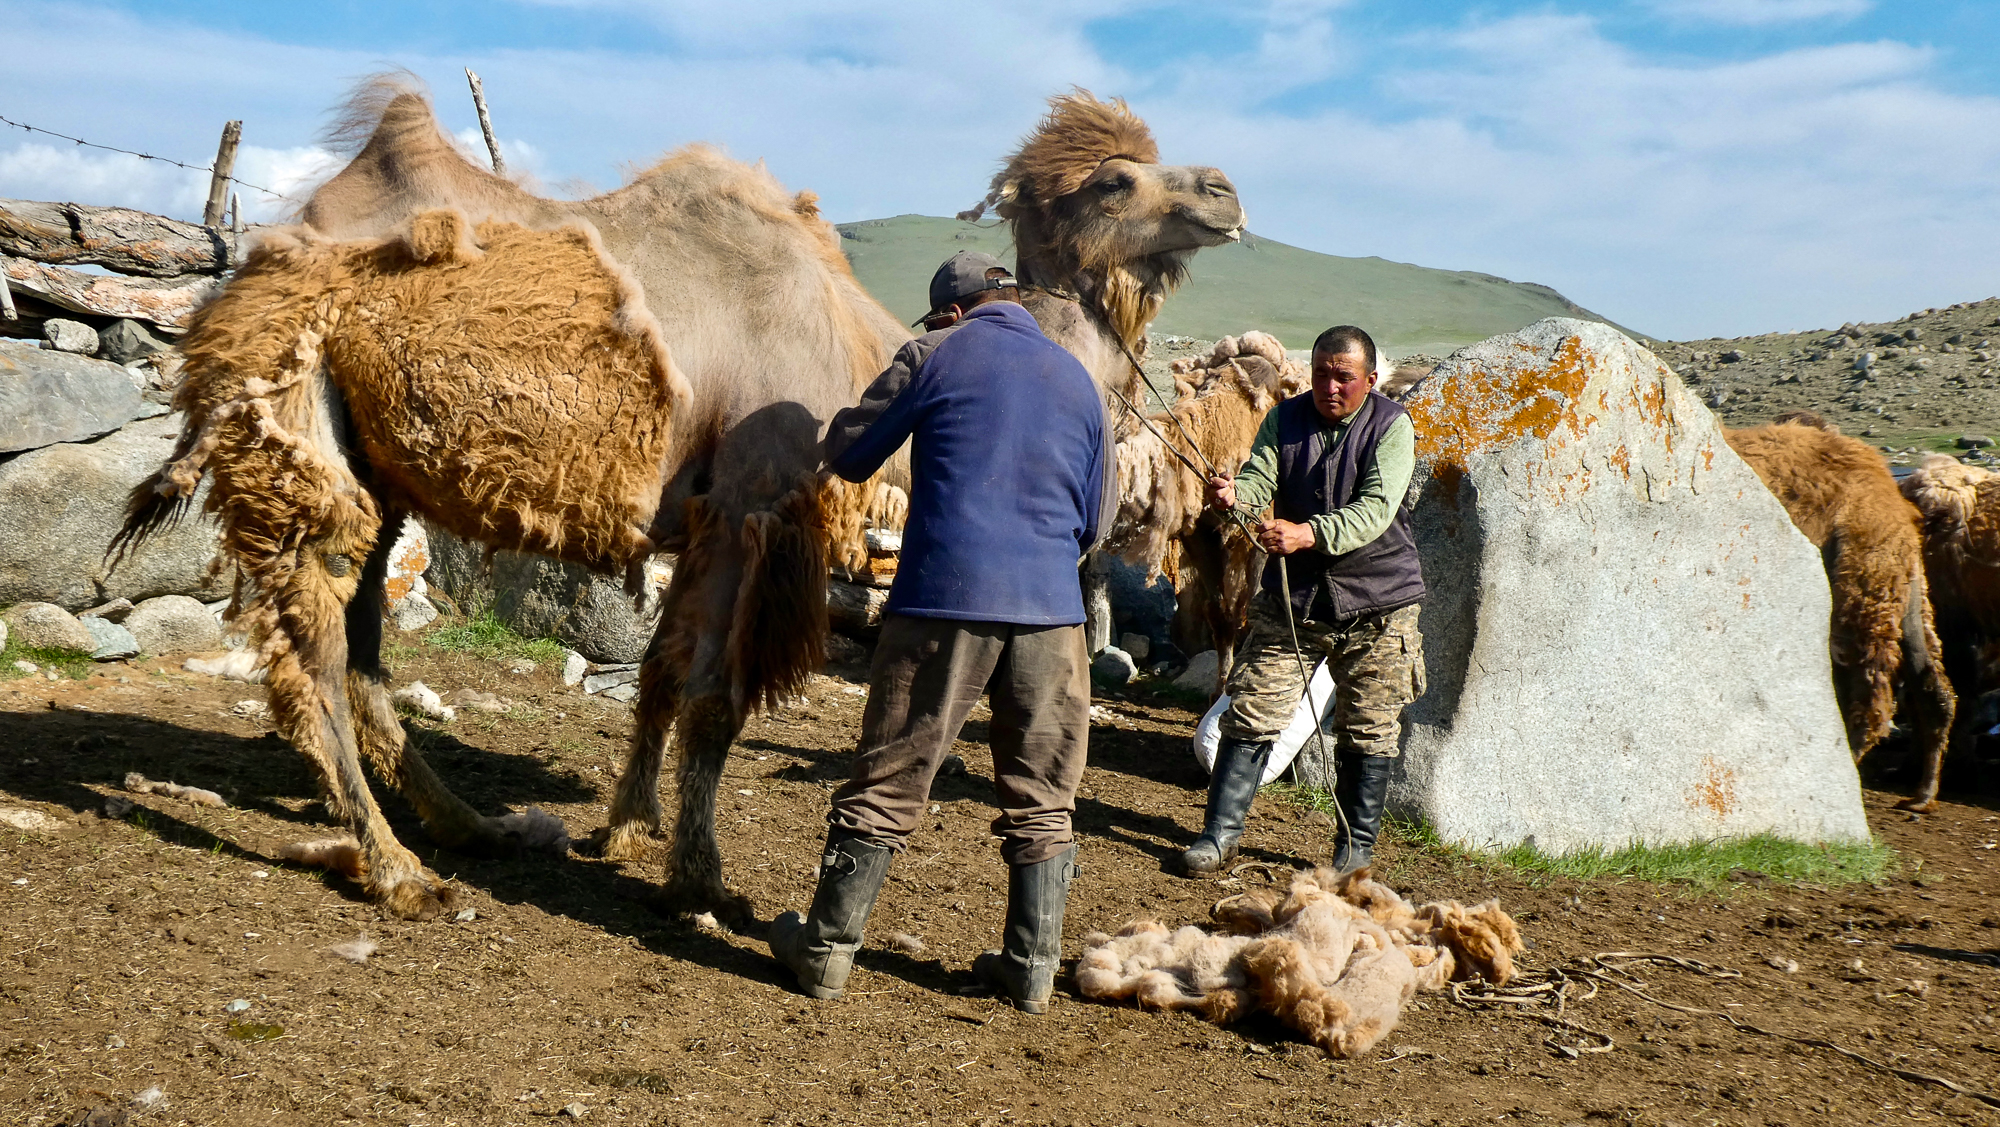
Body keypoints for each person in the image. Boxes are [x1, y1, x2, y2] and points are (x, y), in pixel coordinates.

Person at [768, 250, 1115, 1012]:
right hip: (1054, 612)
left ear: (953, 312)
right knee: (1044, 794)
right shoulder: (1079, 382)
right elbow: (1098, 521)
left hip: (943, 598)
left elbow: (854, 454)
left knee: (890, 775)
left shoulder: (934, 352)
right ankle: (1030, 969)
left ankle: (824, 953)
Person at [1182, 324, 1426, 876]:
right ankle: (1219, 837)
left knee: (1369, 726)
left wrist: (1304, 535)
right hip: (1295, 598)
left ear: (1369, 380)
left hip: (1379, 604)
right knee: (1251, 711)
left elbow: (1375, 509)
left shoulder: (1392, 427)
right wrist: (1232, 497)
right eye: (1321, 374)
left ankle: (1354, 852)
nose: (1330, 387)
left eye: (1344, 377)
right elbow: (1258, 477)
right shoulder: (1284, 419)